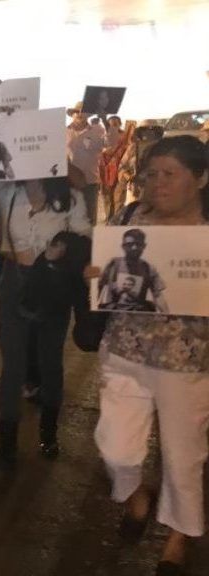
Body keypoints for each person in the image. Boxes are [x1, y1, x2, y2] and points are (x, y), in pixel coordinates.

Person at [89, 136, 209, 574]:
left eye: (170, 174)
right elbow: (106, 276)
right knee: (116, 447)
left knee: (182, 456)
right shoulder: (128, 218)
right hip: (124, 352)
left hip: (187, 363)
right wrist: (95, 274)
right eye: (151, 174)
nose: (158, 183)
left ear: (200, 179)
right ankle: (136, 497)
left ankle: (178, 537)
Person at [0, 177, 90, 469]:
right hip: (14, 281)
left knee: (50, 361)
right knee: (12, 366)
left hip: (53, 283)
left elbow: (85, 236)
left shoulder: (70, 196)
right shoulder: (8, 191)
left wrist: (64, 248)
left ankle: (48, 434)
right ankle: (7, 444)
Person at [96, 228, 168, 313]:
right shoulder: (113, 264)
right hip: (114, 312)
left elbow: (158, 295)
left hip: (138, 313)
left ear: (144, 246)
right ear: (123, 246)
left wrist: (167, 314)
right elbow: (99, 286)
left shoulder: (148, 268)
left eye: (138, 244)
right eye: (129, 244)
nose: (134, 248)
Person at [66, 101, 106, 223]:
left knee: (89, 220)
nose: (79, 114)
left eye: (83, 112)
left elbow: (109, 145)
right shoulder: (63, 132)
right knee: (69, 219)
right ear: (72, 114)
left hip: (90, 182)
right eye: (76, 112)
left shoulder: (97, 131)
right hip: (69, 182)